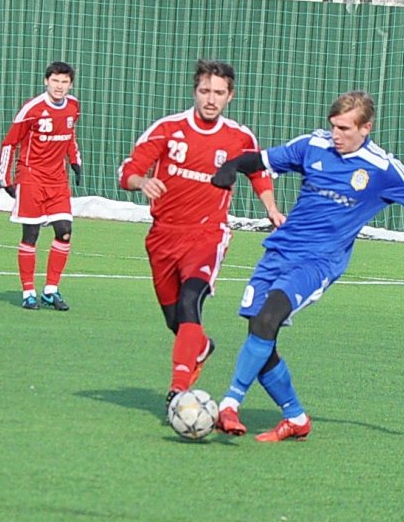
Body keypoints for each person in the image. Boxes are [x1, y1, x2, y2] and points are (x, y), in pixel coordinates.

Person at [210, 90, 404, 441]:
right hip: (279, 251)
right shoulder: (313, 145)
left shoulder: (382, 168)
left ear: (366, 128)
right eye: (333, 126)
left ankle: (229, 404)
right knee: (260, 334)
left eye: (344, 128)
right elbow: (261, 160)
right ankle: (296, 418)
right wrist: (232, 166)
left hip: (319, 262)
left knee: (268, 319)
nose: (336, 135)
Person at [118, 59, 285, 409]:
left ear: (230, 96)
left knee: (190, 300)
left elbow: (258, 173)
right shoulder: (168, 129)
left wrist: (271, 208)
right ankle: (202, 347)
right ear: (194, 91)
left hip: (208, 234)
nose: (211, 99)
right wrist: (141, 181)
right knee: (176, 321)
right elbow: (128, 171)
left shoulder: (239, 137)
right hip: (163, 235)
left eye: (219, 93)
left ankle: (178, 389)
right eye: (205, 91)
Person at [0, 61, 82, 311]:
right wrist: (5, 178)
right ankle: (28, 292)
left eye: (64, 82)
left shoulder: (73, 106)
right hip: (31, 177)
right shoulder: (32, 109)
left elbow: (70, 135)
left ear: (70, 84)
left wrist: (75, 160)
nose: (59, 86)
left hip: (58, 180)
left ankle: (51, 290)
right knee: (31, 235)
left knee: (64, 230)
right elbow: (10, 142)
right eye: (55, 81)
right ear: (46, 81)